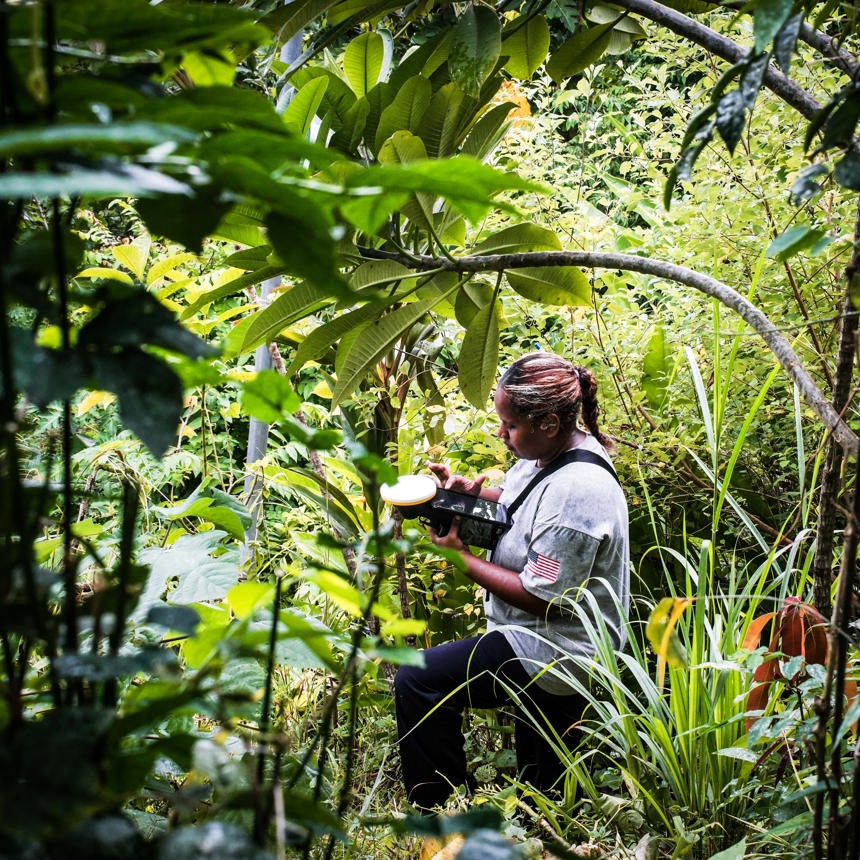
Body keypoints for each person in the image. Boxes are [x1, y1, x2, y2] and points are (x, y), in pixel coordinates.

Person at [393, 352, 630, 810]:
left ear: (550, 422)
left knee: (418, 680)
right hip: (530, 635)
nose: (503, 434)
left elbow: (544, 598)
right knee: (546, 797)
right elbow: (518, 507)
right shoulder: (545, 455)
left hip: (556, 650)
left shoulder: (579, 493)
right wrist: (461, 498)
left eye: (512, 425)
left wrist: (460, 559)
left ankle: (437, 811)